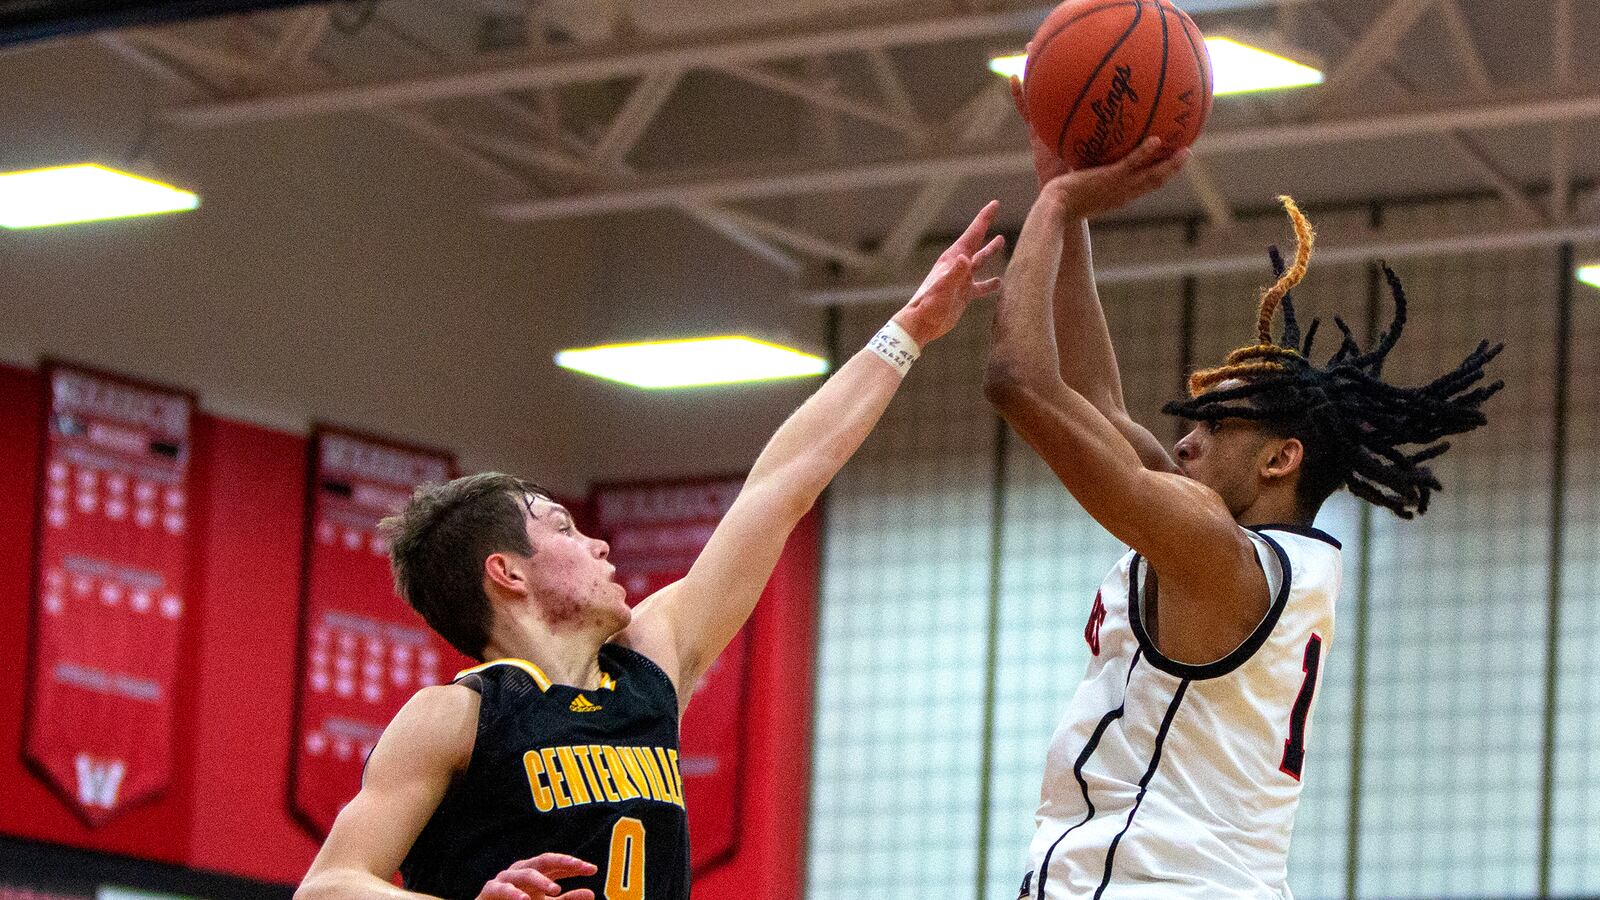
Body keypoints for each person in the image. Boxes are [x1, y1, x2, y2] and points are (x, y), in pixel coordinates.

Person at [293, 202, 1006, 900]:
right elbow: (327, 885)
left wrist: (906, 332)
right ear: (506, 572)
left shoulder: (649, 661)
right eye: (564, 529)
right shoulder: (457, 718)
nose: (599, 543)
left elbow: (783, 486)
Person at [986, 79, 1502, 900]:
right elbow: (1094, 401)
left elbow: (1018, 381)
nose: (1184, 438)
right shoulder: (1252, 557)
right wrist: (1070, 203)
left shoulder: (1211, 552)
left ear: (1279, 460)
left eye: (1215, 425)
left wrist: (1050, 207)